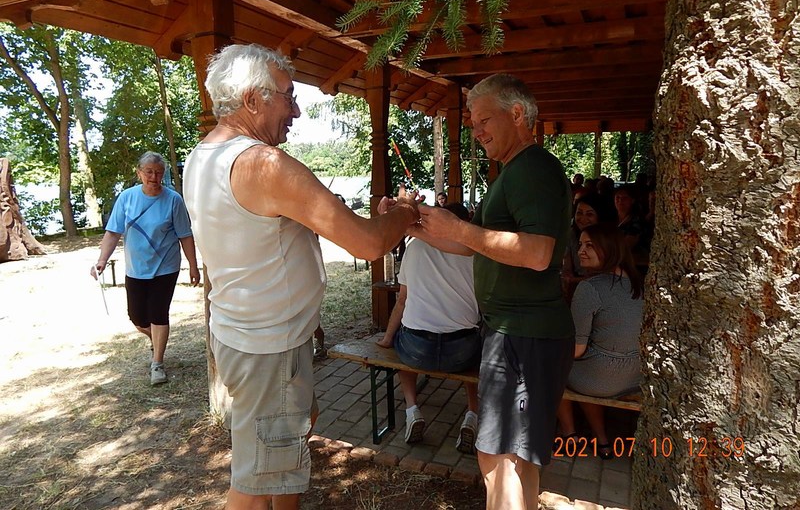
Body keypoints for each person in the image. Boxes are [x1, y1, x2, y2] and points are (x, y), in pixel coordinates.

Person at [182, 43, 420, 510]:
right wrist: (405, 212)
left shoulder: (202, 156)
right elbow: (367, 243)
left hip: (243, 335)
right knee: (254, 483)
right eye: (288, 96)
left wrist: (375, 220)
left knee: (289, 444)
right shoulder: (264, 165)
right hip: (269, 348)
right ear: (253, 100)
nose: (296, 110)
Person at [411, 74, 574, 510]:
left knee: (499, 458)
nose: (476, 131)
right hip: (518, 333)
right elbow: (471, 245)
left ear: (517, 114)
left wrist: (461, 228)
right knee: (514, 460)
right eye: (472, 123)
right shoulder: (515, 171)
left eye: (484, 120)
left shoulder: (532, 168)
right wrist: (415, 224)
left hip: (524, 333)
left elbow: (537, 253)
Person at [376, 202, 481, 454]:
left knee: (402, 345)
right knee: (479, 354)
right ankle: (472, 414)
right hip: (462, 350)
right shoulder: (475, 252)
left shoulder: (414, 247)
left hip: (417, 349)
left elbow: (402, 300)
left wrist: (388, 339)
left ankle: (412, 409)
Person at [90, 151, 200, 386]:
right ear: (139, 173)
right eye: (149, 172)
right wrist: (102, 260)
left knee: (159, 313)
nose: (154, 177)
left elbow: (185, 235)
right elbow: (113, 232)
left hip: (166, 266)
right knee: (137, 317)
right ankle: (157, 339)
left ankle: (157, 363)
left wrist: (193, 265)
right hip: (136, 268)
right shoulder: (126, 198)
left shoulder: (173, 200)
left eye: (159, 172)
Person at [556, 223, 644, 458]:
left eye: (590, 246)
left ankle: (569, 435)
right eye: (580, 245)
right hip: (634, 376)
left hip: (600, 377)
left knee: (550, 366)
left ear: (609, 248)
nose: (580, 251)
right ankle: (602, 441)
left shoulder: (590, 288)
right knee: (587, 365)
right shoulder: (639, 283)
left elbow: (576, 350)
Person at [561, 193, 611, 302]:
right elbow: (567, 265)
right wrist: (567, 276)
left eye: (589, 214)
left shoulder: (607, 239)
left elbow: (604, 276)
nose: (583, 218)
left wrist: (573, 280)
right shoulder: (571, 234)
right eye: (579, 213)